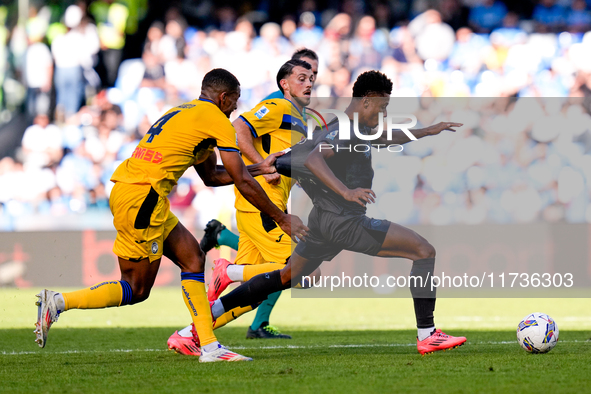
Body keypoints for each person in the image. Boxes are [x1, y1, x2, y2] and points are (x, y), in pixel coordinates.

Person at [34, 68, 308, 363]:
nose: (237, 107)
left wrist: (260, 167)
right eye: (236, 100)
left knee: (192, 257)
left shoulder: (185, 111)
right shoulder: (217, 120)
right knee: (136, 288)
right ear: (224, 97)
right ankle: (59, 302)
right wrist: (282, 217)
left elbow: (212, 177)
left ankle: (210, 347)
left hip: (135, 191)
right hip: (143, 198)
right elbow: (240, 181)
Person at [202, 70, 467, 356]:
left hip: (324, 222)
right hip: (345, 221)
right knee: (423, 250)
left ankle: (200, 324)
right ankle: (427, 335)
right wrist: (346, 192)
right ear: (367, 101)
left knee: (285, 277)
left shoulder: (352, 128)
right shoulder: (346, 130)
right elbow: (314, 157)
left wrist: (426, 131)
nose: (383, 113)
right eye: (382, 107)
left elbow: (386, 137)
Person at [167, 58, 316, 355]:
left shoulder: (300, 118)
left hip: (267, 201)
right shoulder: (278, 107)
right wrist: (261, 166)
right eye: (302, 77)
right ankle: (230, 271)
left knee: (260, 290)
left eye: (312, 77)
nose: (309, 82)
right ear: (283, 84)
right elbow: (238, 126)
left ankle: (190, 334)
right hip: (262, 203)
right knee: (305, 273)